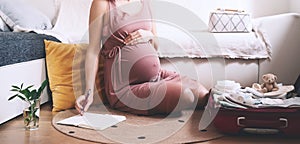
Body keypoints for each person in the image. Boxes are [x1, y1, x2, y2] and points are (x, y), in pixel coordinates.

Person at [75, 0, 209, 115]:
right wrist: (89, 92)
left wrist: (148, 35)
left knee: (204, 94)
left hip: (157, 77)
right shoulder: (102, 4)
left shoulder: (146, 2)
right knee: (186, 96)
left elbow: (155, 45)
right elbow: (93, 51)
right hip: (125, 88)